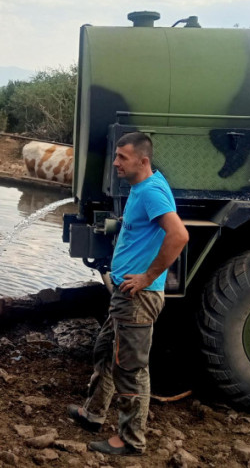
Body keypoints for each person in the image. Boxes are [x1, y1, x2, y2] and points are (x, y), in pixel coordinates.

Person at [67, 132, 189, 456]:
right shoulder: (140, 187)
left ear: (142, 160)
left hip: (138, 298)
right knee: (106, 353)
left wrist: (148, 276)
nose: (116, 162)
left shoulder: (152, 192)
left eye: (122, 157)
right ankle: (93, 414)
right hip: (124, 295)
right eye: (116, 156)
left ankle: (131, 440)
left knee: (131, 369)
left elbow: (179, 235)